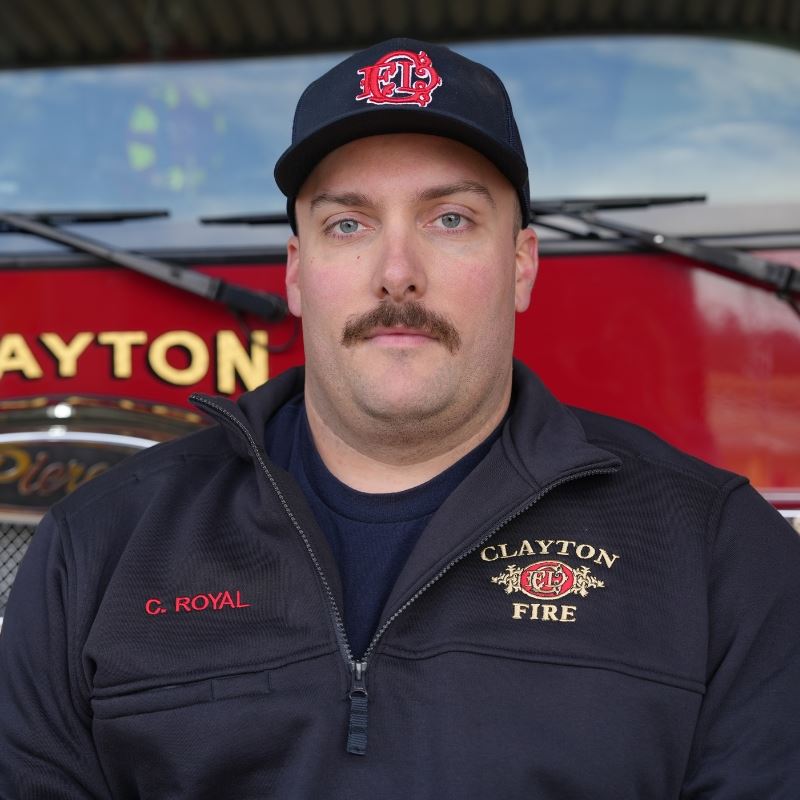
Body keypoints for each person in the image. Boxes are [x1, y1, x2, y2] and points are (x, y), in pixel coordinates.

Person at [1, 37, 799, 799]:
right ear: (297, 272)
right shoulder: (97, 551)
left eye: (449, 219)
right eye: (348, 224)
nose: (396, 275)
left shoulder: (719, 554)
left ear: (520, 265)